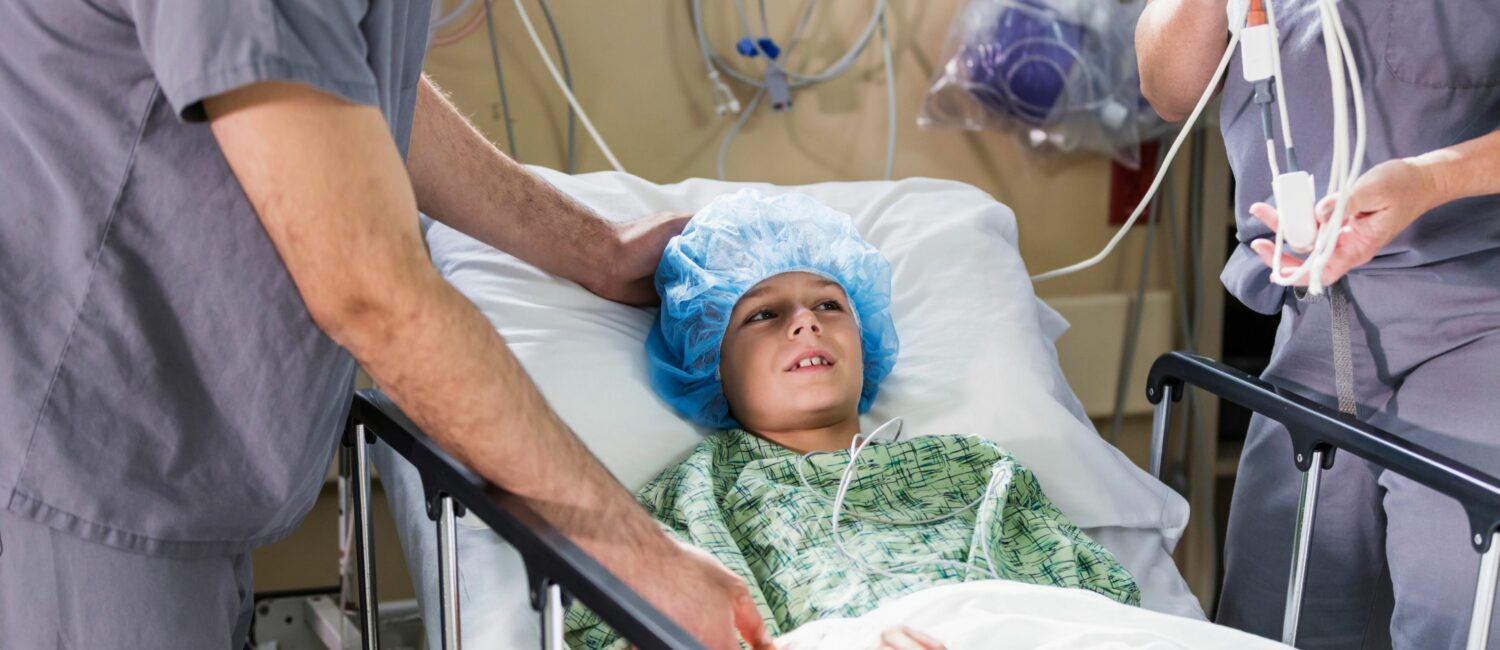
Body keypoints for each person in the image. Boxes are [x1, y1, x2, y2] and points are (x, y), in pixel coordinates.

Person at [0, 3, 770, 648]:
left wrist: (594, 251)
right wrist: (639, 562)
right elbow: (370, 290)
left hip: (162, 468)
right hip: (80, 461)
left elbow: (353, 87)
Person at [563, 191, 1140, 650]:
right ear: (708, 359)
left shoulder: (974, 468)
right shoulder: (695, 495)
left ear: (867, 342)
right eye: (764, 313)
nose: (806, 324)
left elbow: (1101, 602)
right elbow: (613, 629)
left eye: (829, 304)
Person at [1137, 1, 1500, 647]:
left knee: (1457, 612)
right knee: (1279, 615)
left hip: (1475, 320)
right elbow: (1168, 89)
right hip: (1312, 324)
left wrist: (1429, 179)